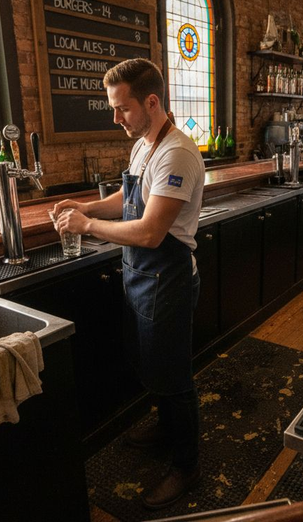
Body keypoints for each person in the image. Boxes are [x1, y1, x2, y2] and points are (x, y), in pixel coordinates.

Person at [53, 58, 205, 510]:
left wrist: (85, 226)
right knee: (149, 362)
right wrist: (86, 205)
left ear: (152, 101)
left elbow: (149, 231)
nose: (115, 117)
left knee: (175, 377)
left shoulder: (177, 152)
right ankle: (165, 428)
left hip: (168, 280)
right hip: (141, 277)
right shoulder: (144, 144)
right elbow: (129, 198)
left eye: (122, 108)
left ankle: (187, 465)